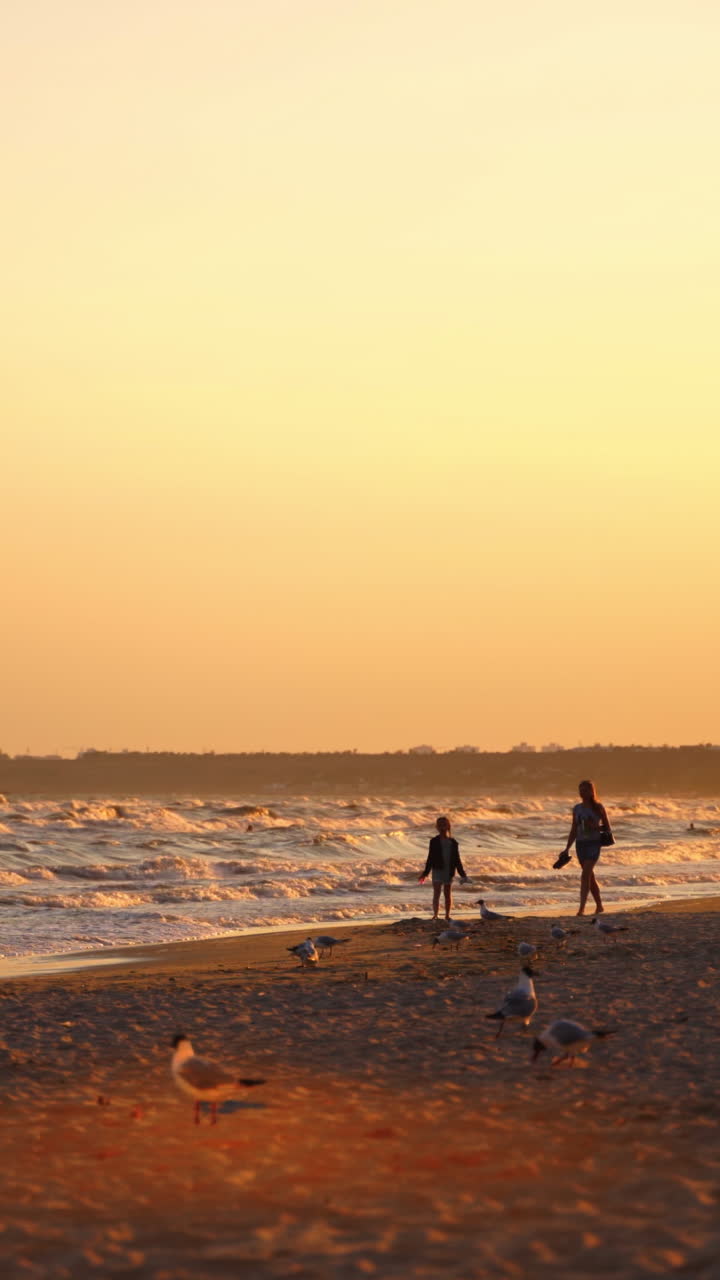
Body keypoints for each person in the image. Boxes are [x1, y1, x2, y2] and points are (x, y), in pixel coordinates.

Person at [560, 780, 612, 916]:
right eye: (580, 790)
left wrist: (595, 826)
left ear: (591, 792)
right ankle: (599, 906)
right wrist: (567, 848)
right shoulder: (577, 808)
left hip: (594, 844)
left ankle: (581, 908)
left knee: (584, 876)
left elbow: (607, 828)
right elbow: (573, 829)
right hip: (580, 844)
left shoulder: (598, 807)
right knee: (589, 876)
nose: (582, 793)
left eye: (585, 790)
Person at [419, 816, 468, 921]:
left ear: (448, 826)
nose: (442, 827)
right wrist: (425, 873)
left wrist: (462, 874)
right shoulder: (434, 841)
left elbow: (457, 859)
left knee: (447, 894)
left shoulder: (453, 842)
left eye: (444, 825)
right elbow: (430, 858)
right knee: (436, 893)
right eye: (440, 825)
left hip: (449, 870)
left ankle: (447, 915)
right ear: (437, 827)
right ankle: (436, 915)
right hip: (437, 869)